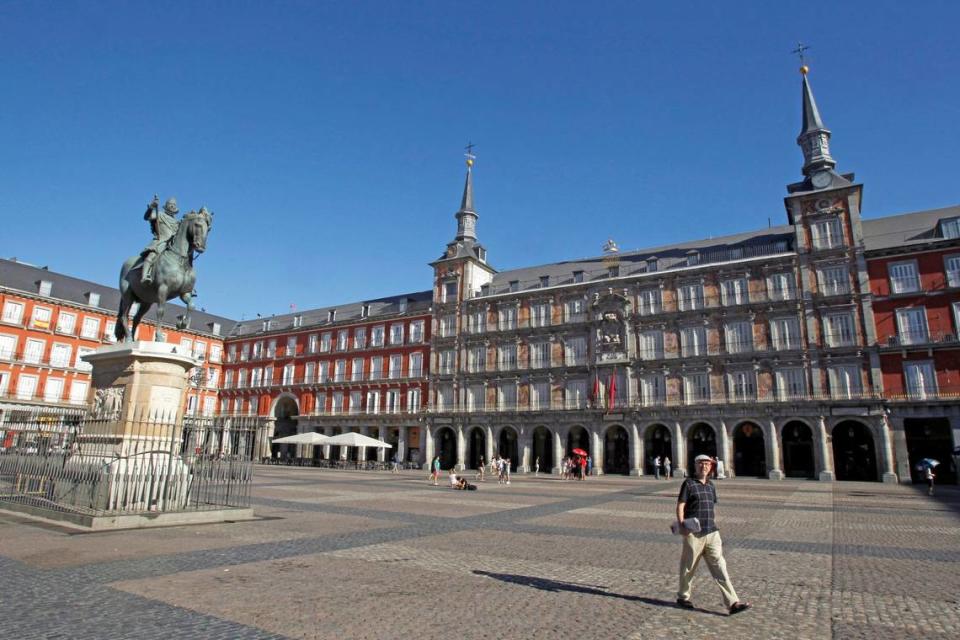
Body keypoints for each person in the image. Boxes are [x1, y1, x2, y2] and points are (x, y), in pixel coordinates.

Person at [675, 454, 751, 616]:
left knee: (720, 566)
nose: (704, 466)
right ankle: (683, 597)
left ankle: (733, 603)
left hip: (712, 532)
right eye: (701, 463)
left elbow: (711, 506)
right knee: (689, 567)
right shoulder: (688, 484)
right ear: (695, 466)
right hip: (693, 533)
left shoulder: (711, 485)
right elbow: (681, 505)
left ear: (711, 467)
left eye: (707, 464)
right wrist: (682, 525)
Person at [140, 195, 180, 285]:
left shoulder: (177, 222)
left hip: (172, 245)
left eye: (174, 204)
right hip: (161, 241)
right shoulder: (160, 214)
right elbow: (146, 217)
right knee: (152, 255)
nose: (172, 206)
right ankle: (145, 275)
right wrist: (152, 207)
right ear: (166, 205)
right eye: (170, 204)